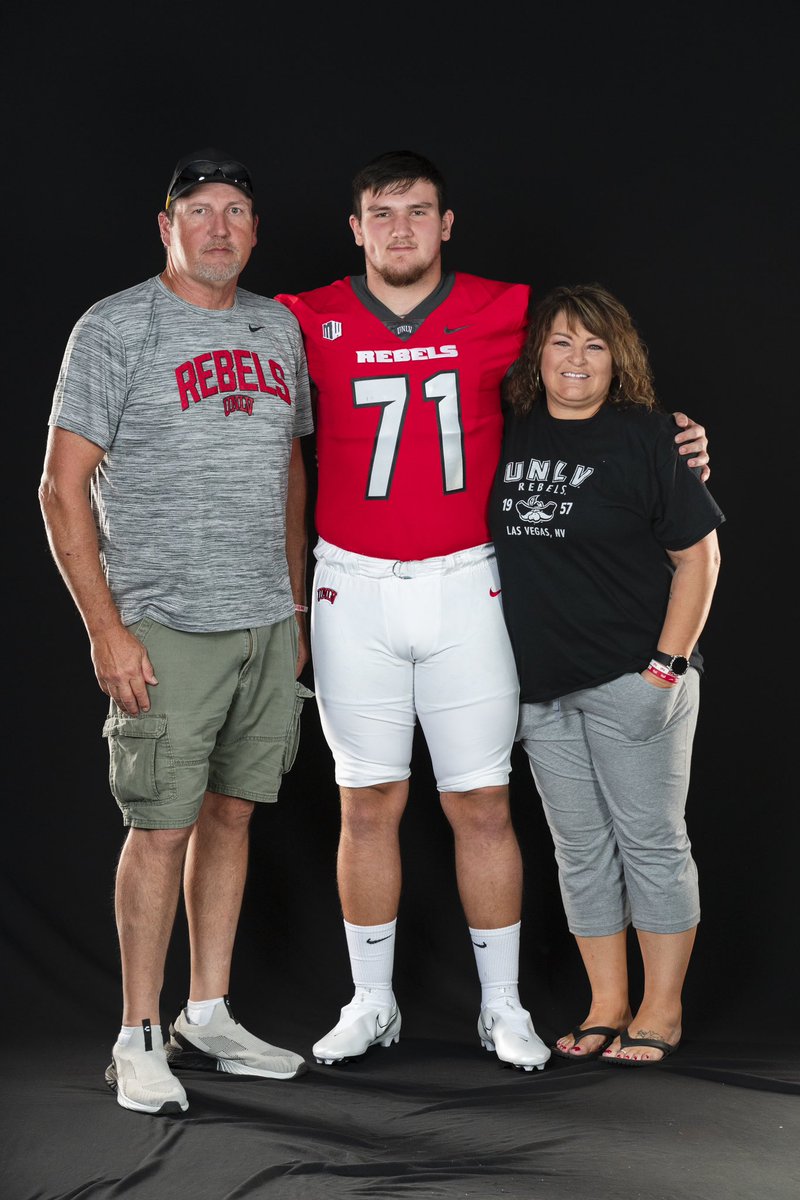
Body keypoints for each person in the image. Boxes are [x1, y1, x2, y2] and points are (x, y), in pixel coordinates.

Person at [275, 150, 711, 1071]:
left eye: (419, 212)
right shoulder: (300, 318)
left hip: (469, 580)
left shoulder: (508, 309)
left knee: (483, 802)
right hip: (351, 582)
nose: (401, 230)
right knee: (367, 804)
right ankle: (371, 1002)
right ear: (356, 229)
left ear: (447, 224)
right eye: (382, 214)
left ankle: (504, 1006)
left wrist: (671, 438)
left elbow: (584, 374)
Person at [38, 148, 314, 1114]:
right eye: (200, 210)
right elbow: (61, 485)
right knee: (159, 826)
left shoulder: (278, 328)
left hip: (264, 623)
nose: (221, 227)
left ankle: (207, 1011)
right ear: (167, 227)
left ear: (254, 228)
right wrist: (106, 631)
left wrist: (295, 598)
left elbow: (288, 469)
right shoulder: (116, 328)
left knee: (233, 812)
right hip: (165, 620)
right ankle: (136, 1034)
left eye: (238, 209)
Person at [490, 282, 724, 1065]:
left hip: (635, 678)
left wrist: (668, 663)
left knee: (651, 843)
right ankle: (607, 1003)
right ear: (539, 354)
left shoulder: (650, 437)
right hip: (541, 689)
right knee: (580, 849)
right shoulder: (510, 429)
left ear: (617, 359)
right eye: (561, 341)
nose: (577, 359)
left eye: (594, 345)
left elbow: (698, 557)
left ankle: (662, 1010)